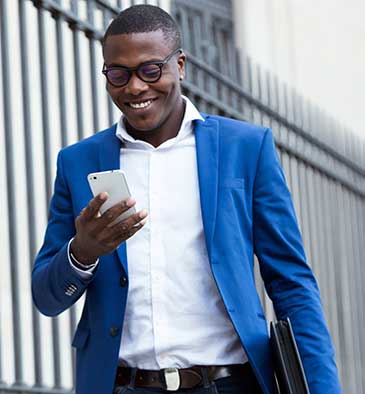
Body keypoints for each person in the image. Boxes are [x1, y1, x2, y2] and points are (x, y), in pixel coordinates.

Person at [32, 5, 341, 394]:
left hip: (229, 384)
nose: (135, 87)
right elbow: (46, 298)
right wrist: (83, 252)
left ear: (180, 65)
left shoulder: (244, 148)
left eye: (151, 70)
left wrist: (322, 387)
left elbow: (291, 283)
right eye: (118, 73)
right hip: (123, 385)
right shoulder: (78, 162)